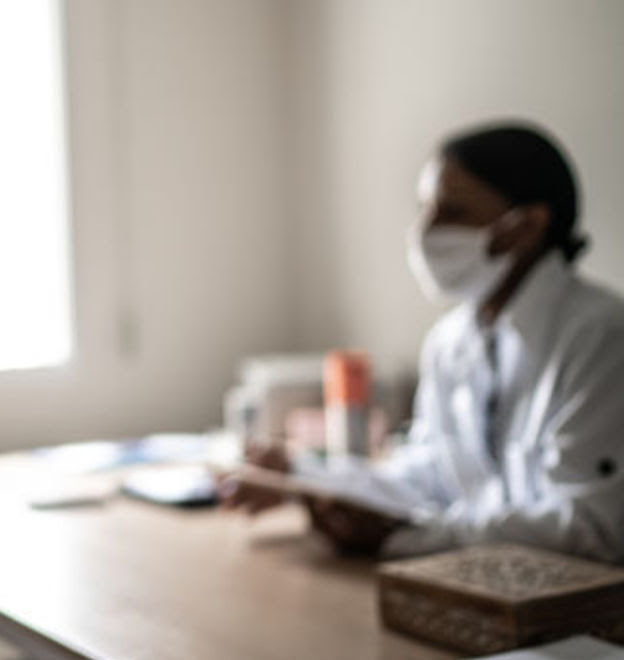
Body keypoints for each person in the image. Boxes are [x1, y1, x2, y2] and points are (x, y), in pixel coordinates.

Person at [223, 122, 624, 563]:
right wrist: (304, 477)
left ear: (527, 226)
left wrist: (406, 538)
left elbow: (592, 527)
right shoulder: (451, 341)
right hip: (474, 591)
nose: (424, 230)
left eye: (451, 212)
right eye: (425, 208)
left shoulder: (600, 335)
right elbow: (431, 476)